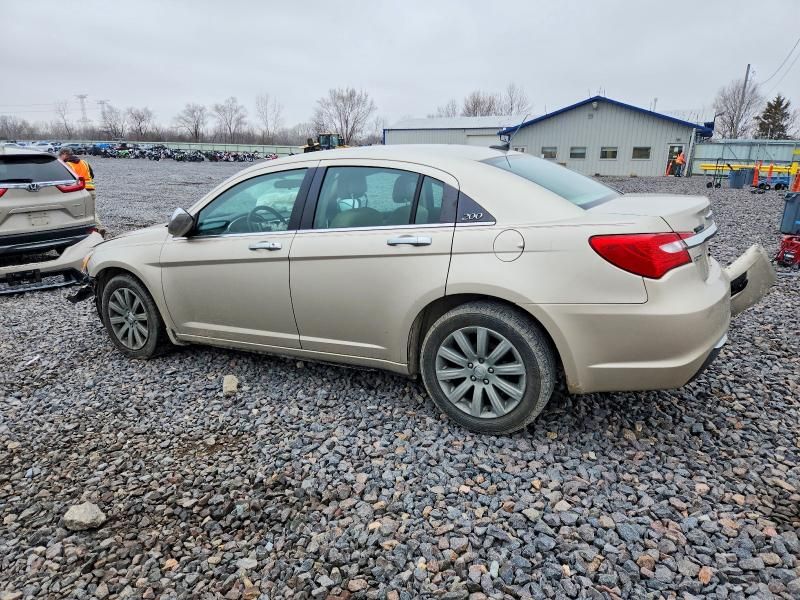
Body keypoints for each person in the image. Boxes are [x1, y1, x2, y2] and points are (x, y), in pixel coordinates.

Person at [58, 147, 104, 234]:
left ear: (64, 154)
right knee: (91, 211)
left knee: (75, 212)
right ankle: (99, 228)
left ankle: (80, 232)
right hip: (91, 190)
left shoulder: (67, 165)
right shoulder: (84, 162)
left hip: (79, 191)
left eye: (60, 156)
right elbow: (92, 175)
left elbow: (66, 180)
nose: (59, 158)